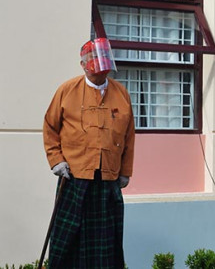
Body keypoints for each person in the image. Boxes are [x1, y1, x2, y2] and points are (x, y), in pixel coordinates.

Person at [43, 38, 135, 268]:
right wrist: (56, 160)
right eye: (94, 62)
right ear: (83, 65)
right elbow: (50, 128)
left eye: (103, 62)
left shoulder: (121, 94)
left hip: (108, 181)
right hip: (73, 179)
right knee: (67, 242)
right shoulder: (67, 90)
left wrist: (125, 172)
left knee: (105, 245)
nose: (100, 68)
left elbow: (129, 136)